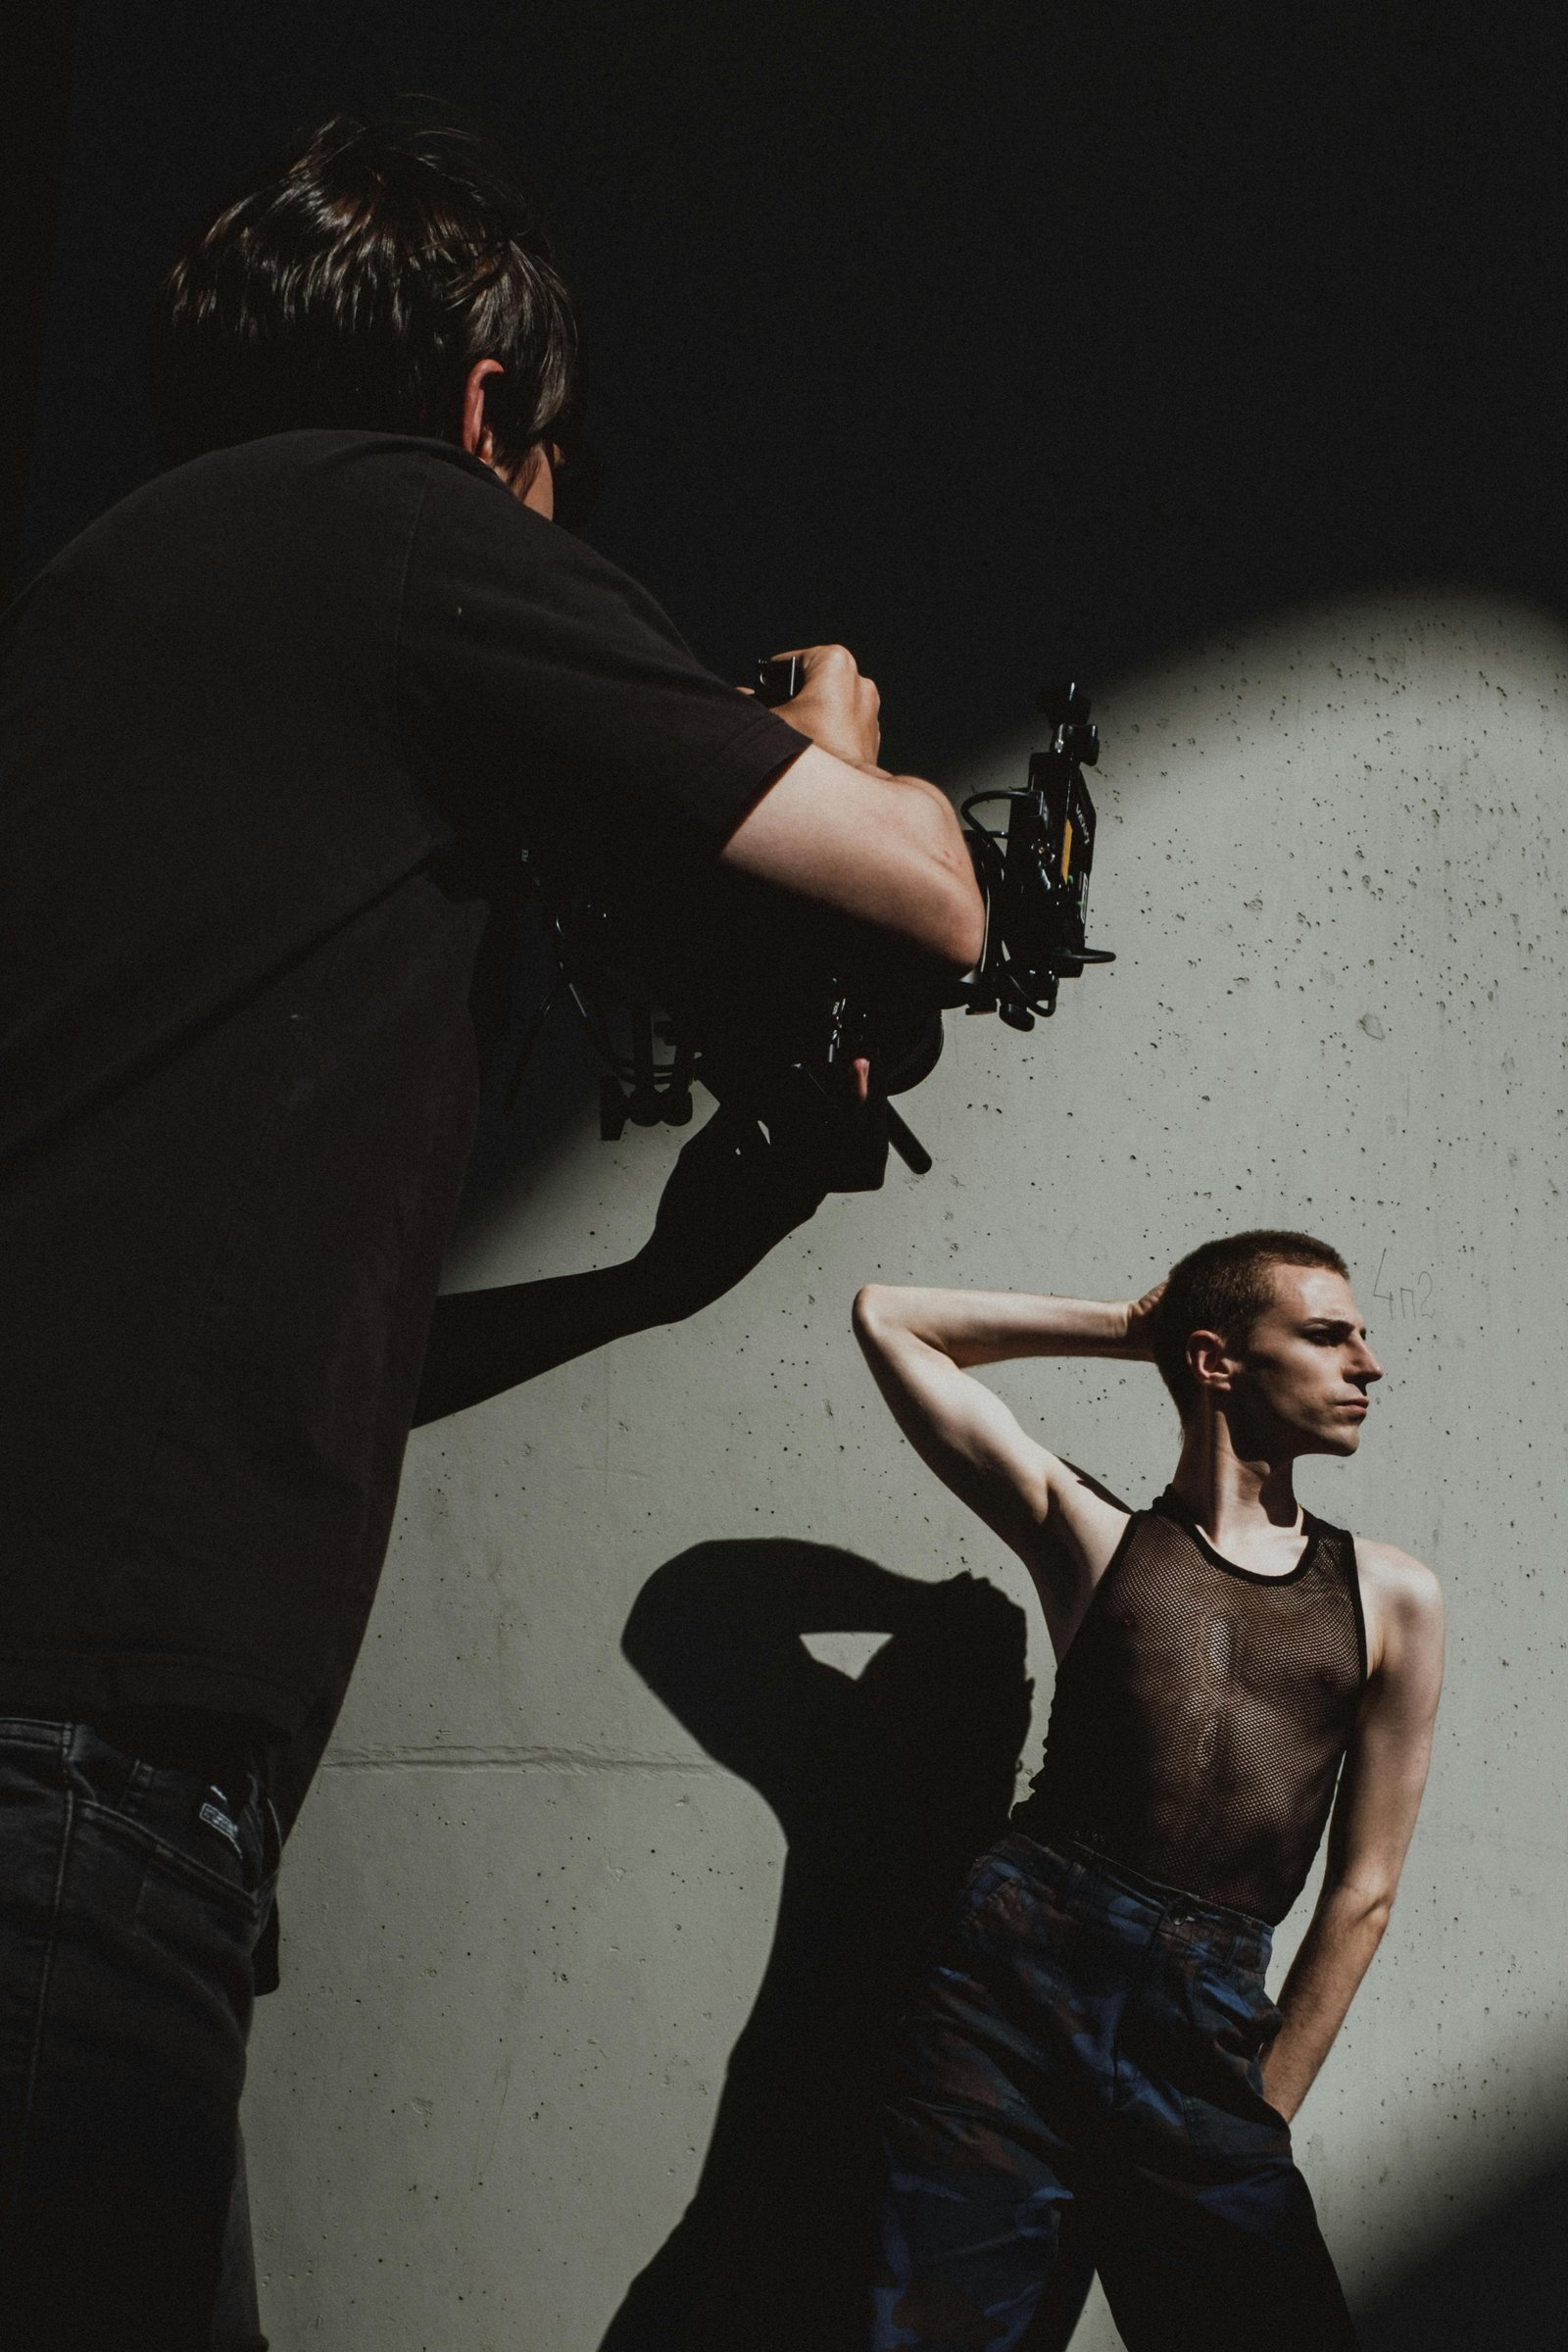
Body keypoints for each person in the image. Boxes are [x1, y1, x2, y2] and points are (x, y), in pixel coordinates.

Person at [0, 112, 983, 2349]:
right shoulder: (403, 525)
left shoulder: (105, 606)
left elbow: (250, 1333)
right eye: (557, 477)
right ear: (481, 410)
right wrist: (844, 740)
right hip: (80, 1763)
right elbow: (919, 895)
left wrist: (647, 1283)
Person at [851, 1230, 1445, 2351]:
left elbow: (1363, 1889)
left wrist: (1256, 2112)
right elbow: (890, 1316)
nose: (1366, 1365)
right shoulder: (1097, 1537)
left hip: (1206, 2018)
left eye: (1360, 1337)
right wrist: (1135, 1330)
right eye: (1327, 1336)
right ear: (1219, 1362)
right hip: (1005, 1986)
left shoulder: (1392, 1596)